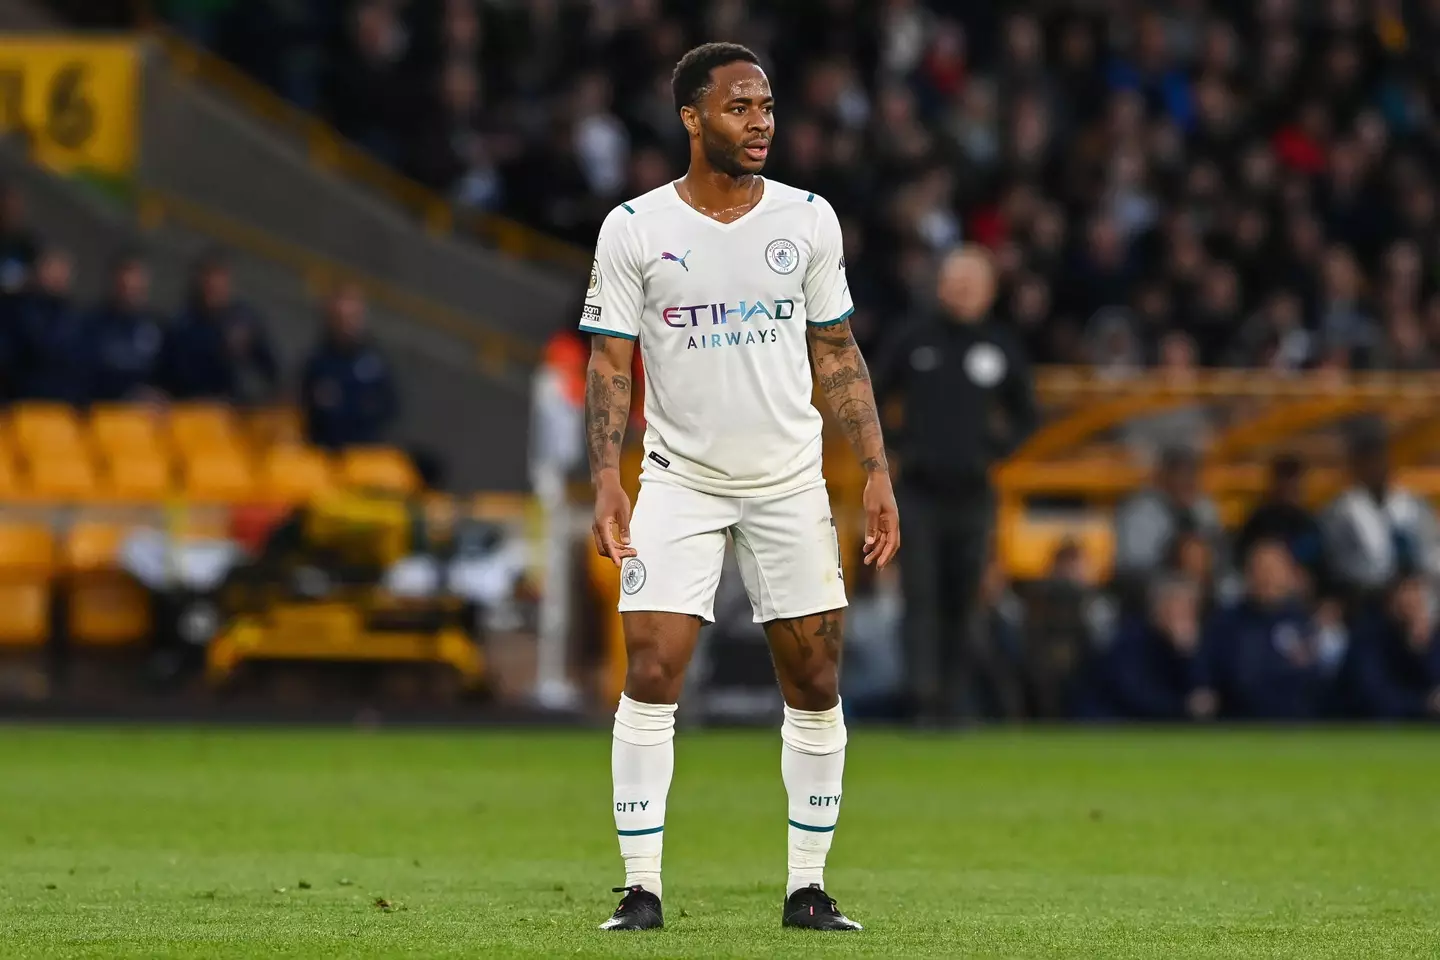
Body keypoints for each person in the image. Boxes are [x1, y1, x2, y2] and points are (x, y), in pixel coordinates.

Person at [580, 43, 897, 933]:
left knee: (815, 674)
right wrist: (605, 477)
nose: (761, 122)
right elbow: (611, 361)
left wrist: (875, 470)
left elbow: (835, 350)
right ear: (692, 117)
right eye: (740, 107)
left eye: (766, 106)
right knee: (651, 667)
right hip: (678, 479)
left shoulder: (808, 219)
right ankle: (640, 888)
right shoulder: (635, 227)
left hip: (790, 480)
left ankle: (807, 887)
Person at [873, 246, 1037, 724]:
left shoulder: (1001, 345)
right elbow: (871, 396)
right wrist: (899, 446)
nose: (963, 290)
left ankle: (954, 699)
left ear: (989, 291)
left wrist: (994, 451)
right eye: (956, 280)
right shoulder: (912, 338)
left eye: (973, 282)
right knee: (919, 596)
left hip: (973, 492)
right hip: (918, 492)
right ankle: (921, 699)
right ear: (940, 285)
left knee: (965, 598)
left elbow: (1027, 413)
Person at [1322, 425, 1440, 599]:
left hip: (1419, 596)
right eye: (1366, 460)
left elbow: (1432, 549)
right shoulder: (1338, 514)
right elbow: (1338, 565)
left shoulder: (1414, 504)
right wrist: (1386, 583)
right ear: (1355, 466)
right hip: (1366, 599)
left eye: (1379, 458)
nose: (1375, 466)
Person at [1078, 574, 1216, 721]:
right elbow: (1136, 696)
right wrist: (1182, 706)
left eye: (1188, 609)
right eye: (1176, 607)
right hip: (1111, 722)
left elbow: (1202, 693)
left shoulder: (1191, 643)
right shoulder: (1129, 639)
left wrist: (1188, 655)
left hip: (1161, 724)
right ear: (1158, 608)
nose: (1181, 616)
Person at [159, 252, 278, 404]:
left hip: (234, 412)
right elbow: (166, 376)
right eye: (208, 278)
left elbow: (270, 369)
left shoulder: (245, 321)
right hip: (191, 411)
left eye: (219, 278)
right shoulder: (180, 324)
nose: (213, 284)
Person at [300, 284, 398, 449]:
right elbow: (315, 412)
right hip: (327, 451)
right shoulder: (318, 363)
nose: (347, 326)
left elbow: (389, 405)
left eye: (353, 318)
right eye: (341, 319)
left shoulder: (376, 361)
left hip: (367, 448)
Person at [1343, 571, 1440, 720]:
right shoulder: (1367, 640)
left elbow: (1434, 684)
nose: (1410, 610)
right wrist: (1423, 704)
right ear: (1390, 603)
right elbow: (1374, 698)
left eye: (1416, 603)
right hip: (1362, 728)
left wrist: (1421, 649)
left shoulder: (1429, 638)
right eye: (1405, 604)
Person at [88, 253, 165, 403]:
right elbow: (88, 375)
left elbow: (167, 375)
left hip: (149, 417)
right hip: (107, 413)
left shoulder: (157, 325)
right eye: (125, 283)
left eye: (137, 282)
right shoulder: (92, 324)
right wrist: (127, 395)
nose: (130, 287)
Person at [1234, 454, 1324, 580]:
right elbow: (1241, 559)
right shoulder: (1259, 522)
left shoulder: (1309, 524)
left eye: (1294, 480)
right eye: (1285, 479)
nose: (1290, 487)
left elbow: (1319, 566)